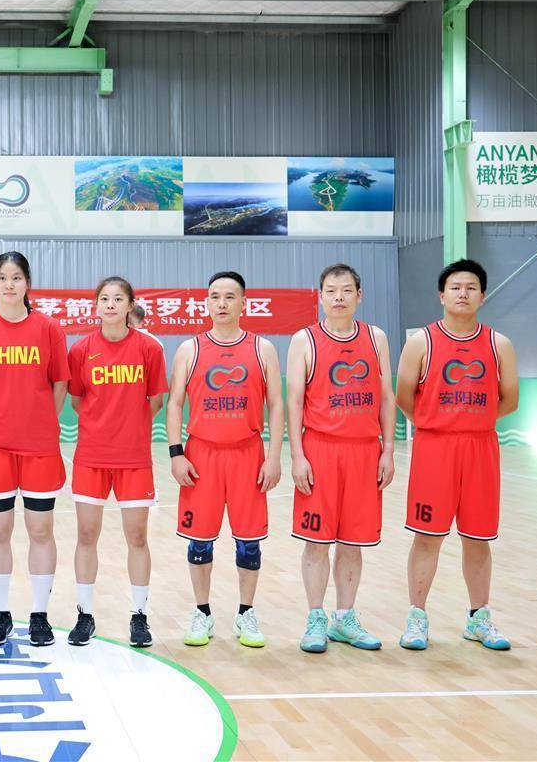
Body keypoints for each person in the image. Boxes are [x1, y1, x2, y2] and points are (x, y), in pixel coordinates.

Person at [395, 259, 518, 651]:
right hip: (435, 447)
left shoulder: (498, 344)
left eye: (470, 288)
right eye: (455, 287)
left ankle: (478, 618)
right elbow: (403, 396)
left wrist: (472, 422)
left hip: (480, 448)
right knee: (427, 537)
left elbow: (510, 400)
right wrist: (437, 423)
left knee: (478, 538)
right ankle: (417, 618)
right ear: (441, 295)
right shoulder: (422, 342)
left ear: (482, 296)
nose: (463, 293)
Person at [167, 271, 284, 649]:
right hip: (201, 455)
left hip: (248, 454)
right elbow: (175, 404)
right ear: (206, 303)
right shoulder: (190, 349)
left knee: (249, 543)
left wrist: (274, 457)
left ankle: (245, 613)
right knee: (199, 542)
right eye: (215, 296)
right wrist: (176, 453)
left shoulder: (263, 349)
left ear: (243, 304)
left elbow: (276, 404)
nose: (222, 303)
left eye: (230, 297)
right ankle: (202, 612)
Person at [0, 251, 69, 647]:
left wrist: (40, 419)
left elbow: (60, 383)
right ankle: (1, 613)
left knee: (41, 530)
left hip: (40, 447)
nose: (9, 284)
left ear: (28, 283)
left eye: (16, 277)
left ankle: (39, 615)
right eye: (2, 277)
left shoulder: (49, 329)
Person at [287, 263, 395, 653]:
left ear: (359, 296)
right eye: (331, 291)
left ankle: (345, 618)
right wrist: (297, 456)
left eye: (346, 290)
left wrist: (388, 450)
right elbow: (294, 401)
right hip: (320, 450)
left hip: (365, 451)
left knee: (353, 542)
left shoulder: (376, 338)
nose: (338, 298)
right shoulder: (304, 340)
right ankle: (316, 618)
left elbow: (386, 397)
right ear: (320, 297)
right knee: (316, 542)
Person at [66, 276, 167, 648]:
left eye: (118, 299)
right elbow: (77, 400)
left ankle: (139, 615)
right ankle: (85, 614)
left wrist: (129, 426)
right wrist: (103, 425)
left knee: (137, 537)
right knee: (86, 535)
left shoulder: (148, 349)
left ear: (130, 305)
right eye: (104, 299)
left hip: (134, 458)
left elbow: (156, 400)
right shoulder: (81, 350)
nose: (110, 304)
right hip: (91, 456)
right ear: (96, 305)